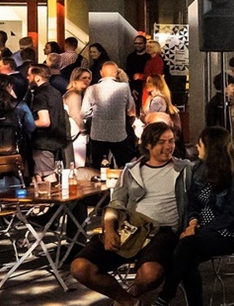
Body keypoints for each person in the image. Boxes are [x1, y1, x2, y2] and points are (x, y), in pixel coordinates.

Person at [70, 123, 193, 306]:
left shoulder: (184, 169)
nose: (168, 146)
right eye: (162, 142)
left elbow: (200, 198)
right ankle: (127, 301)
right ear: (148, 145)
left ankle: (131, 294)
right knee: (80, 267)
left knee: (150, 273)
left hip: (163, 230)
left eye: (171, 141)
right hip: (130, 227)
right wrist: (109, 230)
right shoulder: (131, 171)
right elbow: (115, 204)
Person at [153, 127, 234, 306]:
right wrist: (192, 223)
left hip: (227, 233)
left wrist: (197, 230)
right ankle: (174, 299)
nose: (197, 147)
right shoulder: (199, 169)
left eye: (200, 144)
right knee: (188, 257)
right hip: (198, 230)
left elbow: (229, 216)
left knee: (187, 246)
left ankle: (166, 295)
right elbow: (193, 202)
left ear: (211, 148)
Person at [83, 60, 137, 169]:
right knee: (123, 166)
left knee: (97, 168)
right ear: (116, 73)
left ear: (101, 73)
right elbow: (130, 108)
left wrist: (96, 114)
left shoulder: (91, 89)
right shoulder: (124, 88)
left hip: (98, 133)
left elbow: (84, 112)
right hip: (118, 134)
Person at [27, 63, 71, 180]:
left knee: (48, 177)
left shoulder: (40, 95)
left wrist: (26, 124)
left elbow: (44, 121)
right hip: (57, 141)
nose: (27, 78)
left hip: (43, 143)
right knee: (44, 176)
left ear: (37, 78)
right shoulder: (55, 92)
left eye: (29, 75)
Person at [65, 67, 92, 167]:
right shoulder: (74, 94)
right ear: (75, 79)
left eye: (89, 78)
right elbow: (75, 114)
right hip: (76, 134)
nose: (87, 80)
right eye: (84, 78)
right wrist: (83, 130)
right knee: (78, 165)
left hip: (74, 134)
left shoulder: (78, 94)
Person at [125, 33, 151, 106]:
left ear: (145, 44)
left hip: (147, 87)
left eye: (140, 43)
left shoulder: (149, 57)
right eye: (136, 43)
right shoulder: (130, 57)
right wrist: (132, 88)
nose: (137, 45)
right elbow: (128, 73)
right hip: (134, 88)